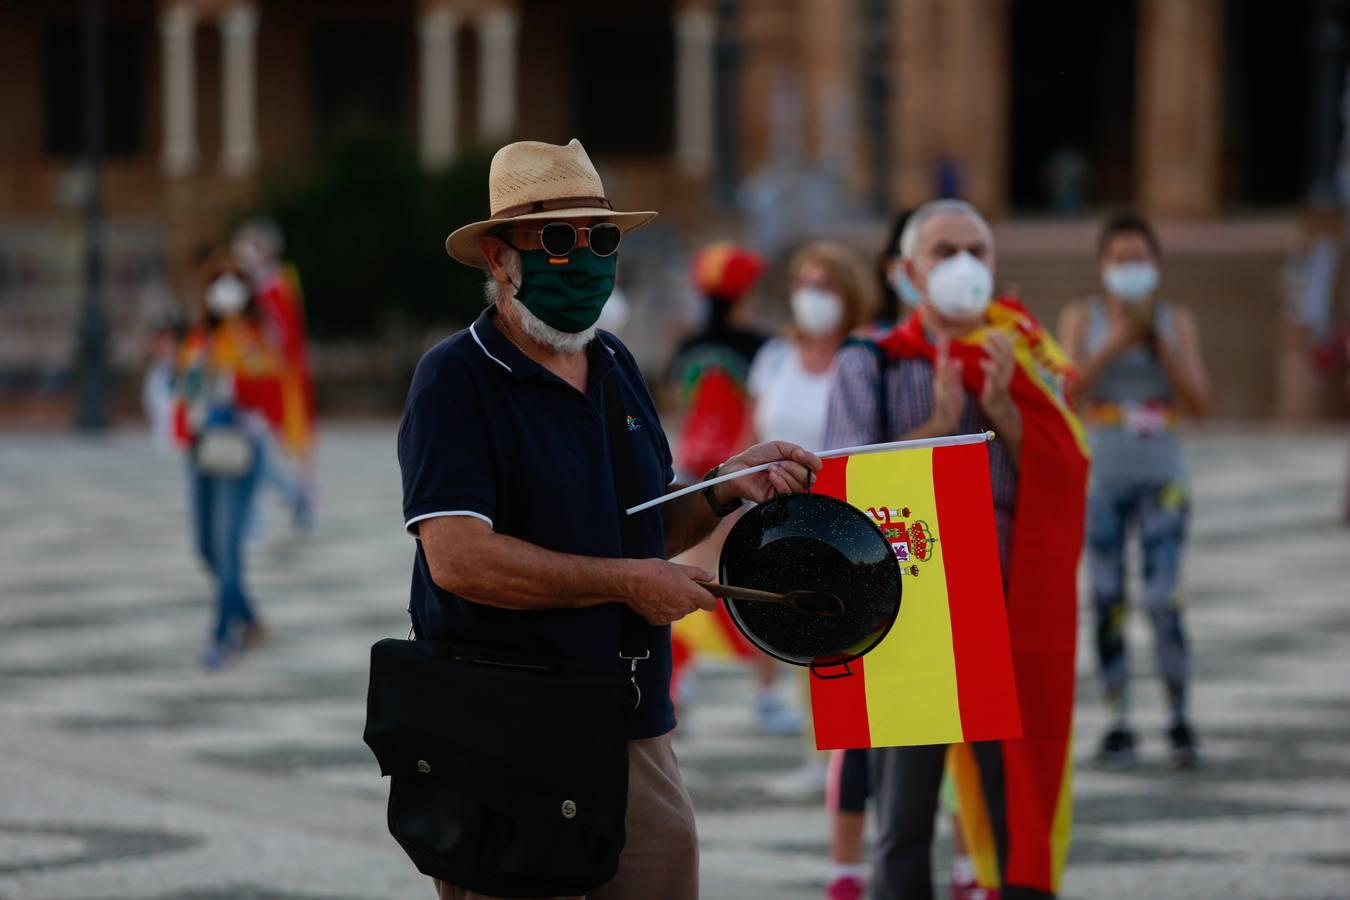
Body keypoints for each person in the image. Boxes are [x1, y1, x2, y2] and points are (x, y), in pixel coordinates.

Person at [400, 138, 822, 900]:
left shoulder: (618, 364)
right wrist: (626, 584)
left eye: (602, 238)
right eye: (559, 239)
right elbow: (458, 560)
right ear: (499, 259)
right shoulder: (455, 379)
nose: (588, 257)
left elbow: (644, 530)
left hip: (632, 724)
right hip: (505, 729)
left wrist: (726, 485)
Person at [826, 199, 1087, 900]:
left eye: (978, 250)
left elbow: (1059, 485)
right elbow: (845, 485)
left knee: (1014, 802)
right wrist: (939, 425)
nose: (964, 265)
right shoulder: (871, 360)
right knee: (904, 816)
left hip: (1005, 609)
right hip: (911, 611)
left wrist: (1005, 412)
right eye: (945, 251)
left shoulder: (1029, 358)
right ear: (909, 271)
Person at [1057, 213, 1212, 768]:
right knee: (1106, 597)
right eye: (1120, 260)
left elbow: (1200, 403)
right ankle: (1117, 716)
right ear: (1103, 267)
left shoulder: (1177, 321)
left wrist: (1158, 345)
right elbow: (1065, 393)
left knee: (1161, 597)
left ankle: (1178, 713)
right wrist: (1114, 344)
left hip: (1162, 473)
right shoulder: (1084, 318)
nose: (1131, 270)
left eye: (1140, 260)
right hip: (1102, 473)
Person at [174, 252, 284, 668]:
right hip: (203, 447)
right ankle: (250, 617)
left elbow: (271, 396)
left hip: (239, 448)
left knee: (227, 544)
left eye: (233, 281)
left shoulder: (253, 337)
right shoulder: (200, 337)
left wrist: (235, 368)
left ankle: (223, 634)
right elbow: (186, 391)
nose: (225, 290)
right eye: (218, 281)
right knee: (205, 546)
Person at [233, 219, 316, 529]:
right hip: (256, 378)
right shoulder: (256, 286)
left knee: (286, 445)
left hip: (278, 379)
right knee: (261, 449)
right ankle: (294, 498)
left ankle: (300, 497)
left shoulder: (276, 284)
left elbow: (282, 336)